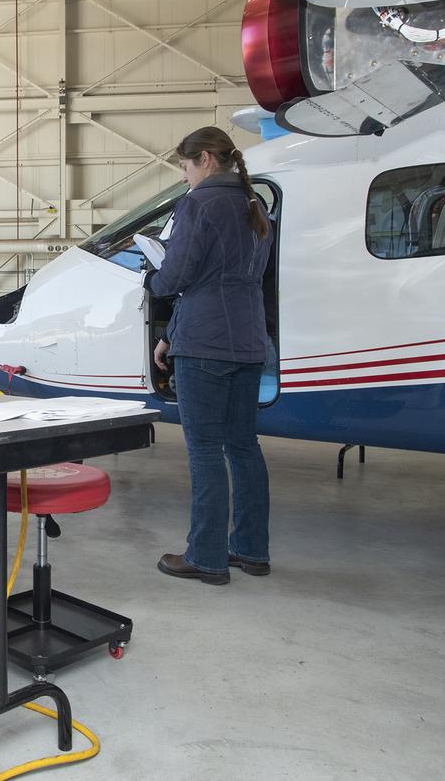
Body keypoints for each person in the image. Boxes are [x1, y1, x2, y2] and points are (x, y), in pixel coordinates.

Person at [145, 126, 272, 586]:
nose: (184, 178)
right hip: (248, 340)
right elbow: (224, 281)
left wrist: (152, 279)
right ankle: (252, 550)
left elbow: (177, 275)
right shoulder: (255, 205)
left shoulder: (199, 204)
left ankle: (207, 557)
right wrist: (170, 336)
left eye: (184, 167)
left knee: (203, 450)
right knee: (243, 446)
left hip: (206, 345)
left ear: (204, 159)